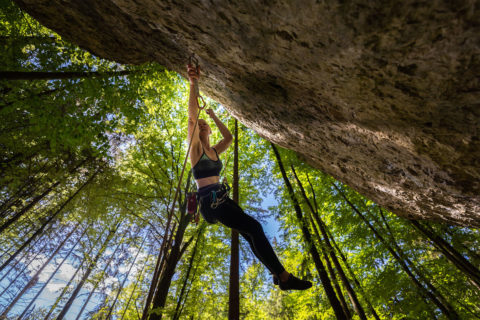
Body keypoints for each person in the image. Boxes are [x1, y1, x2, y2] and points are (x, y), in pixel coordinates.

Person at [187, 64, 312, 291]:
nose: (202, 126)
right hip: (210, 202)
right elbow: (192, 118)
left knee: (249, 233)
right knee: (254, 227)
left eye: (205, 126)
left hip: (222, 199)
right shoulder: (196, 152)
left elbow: (229, 137)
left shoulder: (215, 151)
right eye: (200, 126)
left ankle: (278, 274)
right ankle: (283, 277)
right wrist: (194, 84)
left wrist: (213, 115)